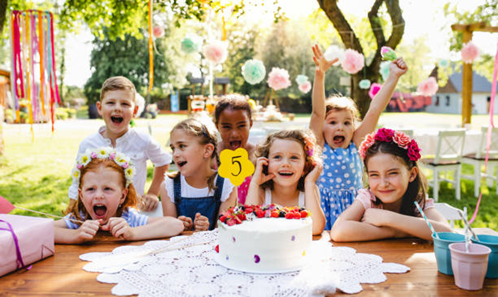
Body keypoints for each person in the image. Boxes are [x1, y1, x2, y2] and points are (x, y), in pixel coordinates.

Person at [310, 44, 408, 230]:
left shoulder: (355, 144)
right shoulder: (320, 146)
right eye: (332, 122)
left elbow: (374, 110)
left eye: (347, 123)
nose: (340, 127)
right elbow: (316, 113)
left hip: (355, 213)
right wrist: (320, 74)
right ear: (322, 126)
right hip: (323, 213)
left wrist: (393, 77)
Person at [68, 76, 170, 213]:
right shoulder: (88, 144)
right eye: (111, 103)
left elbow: (163, 161)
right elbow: (77, 182)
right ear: (99, 108)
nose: (118, 108)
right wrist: (72, 210)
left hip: (133, 212)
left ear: (134, 111)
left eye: (125, 104)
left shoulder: (143, 140)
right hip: (98, 213)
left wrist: (152, 192)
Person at [330, 128, 452, 241]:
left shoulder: (417, 200)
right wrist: (396, 232)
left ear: (412, 174)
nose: (383, 184)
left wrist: (388, 218)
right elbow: (338, 231)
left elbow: (447, 234)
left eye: (392, 173)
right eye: (374, 175)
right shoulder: (368, 198)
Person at [54, 148, 184, 244]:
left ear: (122, 195)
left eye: (107, 189)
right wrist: (75, 235)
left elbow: (175, 225)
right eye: (91, 189)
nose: (99, 196)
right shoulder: (78, 219)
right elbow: (44, 231)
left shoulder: (129, 219)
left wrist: (132, 233)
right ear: (81, 195)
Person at [160, 118, 237, 231]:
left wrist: (205, 231)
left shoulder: (226, 185)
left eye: (182, 146)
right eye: (173, 148)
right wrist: (179, 227)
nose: (175, 154)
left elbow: (224, 233)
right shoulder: (169, 185)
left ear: (207, 151)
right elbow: (168, 234)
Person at [245, 130, 325, 235]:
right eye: (277, 157)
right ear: (266, 162)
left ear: (305, 166)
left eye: (294, 157)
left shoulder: (309, 191)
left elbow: (315, 229)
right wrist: (255, 183)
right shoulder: (262, 192)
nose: (285, 164)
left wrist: (309, 183)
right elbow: (248, 224)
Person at [214, 95, 256, 204]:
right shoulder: (211, 156)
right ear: (217, 126)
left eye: (241, 126)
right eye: (227, 127)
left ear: (250, 124)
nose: (234, 134)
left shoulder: (257, 155)